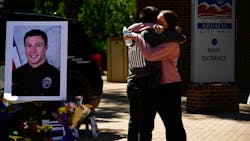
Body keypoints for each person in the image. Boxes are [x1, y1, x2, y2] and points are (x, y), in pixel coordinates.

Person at [125, 6, 186, 141]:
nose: (156, 25)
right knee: (144, 122)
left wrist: (137, 37)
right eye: (156, 22)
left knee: (173, 124)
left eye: (160, 23)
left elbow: (150, 55)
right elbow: (139, 27)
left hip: (170, 87)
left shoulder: (171, 44)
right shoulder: (158, 37)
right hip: (156, 85)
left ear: (169, 25)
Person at [12, 29, 60, 96]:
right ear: (24, 48)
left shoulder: (57, 76)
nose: (33, 50)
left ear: (46, 47)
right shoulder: (15, 75)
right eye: (29, 45)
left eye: (38, 45)